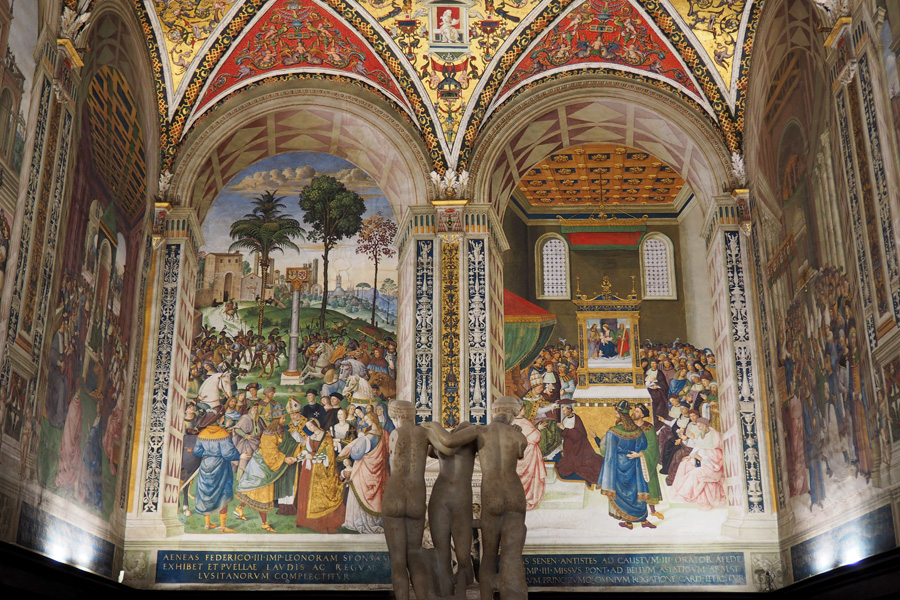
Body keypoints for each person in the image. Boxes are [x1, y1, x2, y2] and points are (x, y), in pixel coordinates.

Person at [426, 396, 529, 600]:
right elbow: (519, 453)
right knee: (512, 551)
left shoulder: (480, 431)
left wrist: (432, 425)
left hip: (493, 494)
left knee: (489, 555)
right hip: (515, 494)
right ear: (513, 415)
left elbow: (448, 442)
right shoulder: (519, 436)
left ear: (493, 412)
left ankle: (486, 597)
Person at [233, 404, 299, 532]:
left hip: (269, 465)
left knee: (253, 491)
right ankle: (264, 523)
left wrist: (300, 448)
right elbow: (270, 453)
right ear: (276, 420)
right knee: (262, 494)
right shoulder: (269, 434)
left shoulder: (282, 431)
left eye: (285, 418)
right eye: (282, 418)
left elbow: (292, 443)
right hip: (262, 466)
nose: (285, 421)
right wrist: (284, 459)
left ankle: (239, 508)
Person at [596, 401, 655, 530]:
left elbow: (608, 452)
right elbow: (643, 446)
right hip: (633, 464)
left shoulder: (612, 432)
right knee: (635, 491)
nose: (615, 414)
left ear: (619, 415)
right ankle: (643, 521)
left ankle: (628, 522)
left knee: (622, 493)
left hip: (617, 466)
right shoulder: (638, 431)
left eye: (616, 412)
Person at [193, 407, 242, 530]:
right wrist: (239, 455)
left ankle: (207, 524)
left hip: (205, 465)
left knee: (205, 493)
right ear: (219, 419)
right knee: (223, 493)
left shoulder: (202, 434)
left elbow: (197, 452)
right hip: (220, 466)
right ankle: (222, 526)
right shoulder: (223, 434)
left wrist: (207, 452)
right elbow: (229, 454)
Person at [339, 412, 389, 533]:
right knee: (376, 495)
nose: (365, 421)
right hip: (378, 470)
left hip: (365, 469)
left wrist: (350, 448)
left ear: (371, 420)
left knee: (357, 487)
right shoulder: (384, 433)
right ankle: (374, 521)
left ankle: (359, 521)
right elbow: (387, 451)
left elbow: (357, 453)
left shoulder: (369, 436)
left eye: (366, 419)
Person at [295, 418, 346, 532]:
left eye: (311, 426)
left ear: (316, 424)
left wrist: (312, 457)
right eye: (308, 427)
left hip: (320, 468)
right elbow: (306, 449)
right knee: (306, 491)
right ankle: (305, 520)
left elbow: (329, 455)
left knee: (320, 494)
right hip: (308, 468)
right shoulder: (310, 437)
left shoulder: (326, 437)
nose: (310, 429)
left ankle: (321, 521)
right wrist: (305, 454)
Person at [670, 418, 726, 510]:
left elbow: (718, 455)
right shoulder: (702, 434)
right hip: (700, 460)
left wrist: (702, 459)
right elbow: (698, 447)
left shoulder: (714, 436)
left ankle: (686, 494)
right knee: (683, 464)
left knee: (694, 473)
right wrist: (690, 456)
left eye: (699, 426)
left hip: (711, 464)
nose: (698, 428)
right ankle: (678, 490)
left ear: (704, 425)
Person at [556, 404, 604, 486]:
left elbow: (577, 435)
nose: (563, 412)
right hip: (569, 445)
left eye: (565, 410)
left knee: (582, 465)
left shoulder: (576, 419)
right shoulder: (565, 419)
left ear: (570, 410)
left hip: (577, 446)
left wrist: (564, 429)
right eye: (563, 410)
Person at [631, 404, 664, 519]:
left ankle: (653, 511)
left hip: (645, 460)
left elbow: (653, 447)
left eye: (637, 411)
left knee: (648, 485)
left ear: (642, 415)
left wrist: (640, 454)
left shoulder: (649, 428)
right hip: (631, 460)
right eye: (634, 411)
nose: (634, 413)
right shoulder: (629, 426)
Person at [513, 401, 546, 510]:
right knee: (530, 476)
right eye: (523, 408)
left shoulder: (510, 422)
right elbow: (535, 438)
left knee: (519, 476)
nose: (525, 410)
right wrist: (538, 429)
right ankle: (529, 499)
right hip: (529, 454)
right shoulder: (525, 422)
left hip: (517, 454)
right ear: (519, 409)